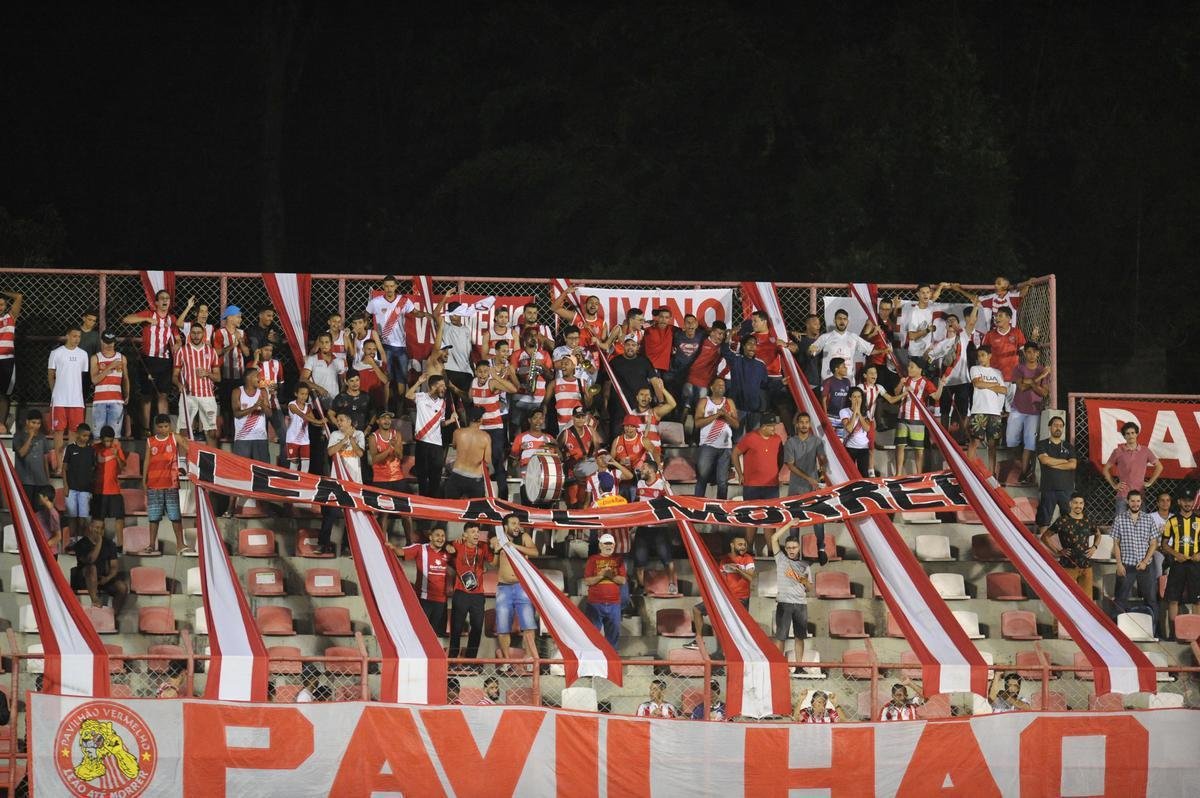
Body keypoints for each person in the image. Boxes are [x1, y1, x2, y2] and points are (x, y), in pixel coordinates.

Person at [366, 274, 436, 404]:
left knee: (402, 379)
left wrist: (426, 314)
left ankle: (400, 408)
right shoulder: (375, 302)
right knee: (386, 379)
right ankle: (386, 408)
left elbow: (415, 313)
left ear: (396, 286)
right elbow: (366, 316)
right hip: (384, 346)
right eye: (386, 286)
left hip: (401, 347)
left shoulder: (403, 301)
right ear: (383, 287)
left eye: (392, 286)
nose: (389, 289)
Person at [122, 289, 178, 433]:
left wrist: (176, 344)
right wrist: (145, 320)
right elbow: (126, 319)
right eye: (162, 298)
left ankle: (164, 428)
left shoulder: (172, 318)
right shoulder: (149, 314)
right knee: (146, 395)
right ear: (157, 302)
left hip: (165, 361)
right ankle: (146, 429)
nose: (165, 300)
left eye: (168, 298)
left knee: (163, 394)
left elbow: (176, 337)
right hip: (148, 359)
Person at [687, 537, 755, 653]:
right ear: (732, 545)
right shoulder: (724, 560)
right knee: (697, 609)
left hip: (740, 598)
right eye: (740, 544)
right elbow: (721, 580)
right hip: (725, 598)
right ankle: (698, 640)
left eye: (744, 545)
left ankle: (737, 652)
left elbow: (750, 577)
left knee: (735, 628)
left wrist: (738, 570)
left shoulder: (748, 558)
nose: (743, 547)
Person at [491, 514, 540, 670]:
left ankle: (529, 657)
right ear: (505, 526)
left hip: (522, 586)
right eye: (513, 523)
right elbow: (493, 564)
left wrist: (514, 546)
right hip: (504, 587)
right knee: (503, 626)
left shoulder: (524, 536)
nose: (517, 526)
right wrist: (497, 551)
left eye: (518, 523)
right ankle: (506, 660)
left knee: (528, 625)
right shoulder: (497, 538)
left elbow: (535, 552)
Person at [732, 413, 785, 550]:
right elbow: (735, 453)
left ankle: (772, 551)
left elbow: (780, 460)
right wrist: (740, 474)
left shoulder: (778, 439)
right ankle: (748, 550)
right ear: (763, 426)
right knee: (751, 520)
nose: (774, 429)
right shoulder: (750, 438)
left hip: (771, 487)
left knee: (770, 521)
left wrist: (776, 475)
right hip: (752, 486)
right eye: (772, 427)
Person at [1111, 490, 1160, 635]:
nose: (1135, 503)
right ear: (1127, 501)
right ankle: (1116, 632)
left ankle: (1153, 632)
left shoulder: (1148, 519)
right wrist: (1119, 564)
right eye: (1132, 501)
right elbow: (1116, 544)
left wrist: (1145, 561)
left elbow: (1153, 544)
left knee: (1151, 599)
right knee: (1120, 599)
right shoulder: (1120, 519)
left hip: (1145, 566)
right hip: (1127, 565)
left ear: (1141, 502)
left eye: (1138, 501)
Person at [142, 414, 191, 555]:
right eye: (161, 427)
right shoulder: (150, 441)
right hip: (154, 484)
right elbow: (146, 460)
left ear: (170, 426)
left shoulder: (175, 438)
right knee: (153, 517)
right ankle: (151, 544)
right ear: (156, 427)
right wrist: (143, 479)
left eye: (166, 426)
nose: (164, 429)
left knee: (175, 516)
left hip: (171, 484)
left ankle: (180, 545)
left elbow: (189, 448)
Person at [469, 360, 519, 501]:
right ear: (476, 372)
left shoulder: (492, 382)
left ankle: (503, 497)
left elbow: (514, 389)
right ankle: (477, 495)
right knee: (477, 460)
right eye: (480, 371)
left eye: (486, 371)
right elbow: (469, 397)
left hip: (495, 427)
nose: (483, 374)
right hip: (480, 427)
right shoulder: (473, 383)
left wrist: (496, 377)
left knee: (497, 459)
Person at [887, 357, 945, 476]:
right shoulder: (905, 380)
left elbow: (936, 397)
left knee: (919, 449)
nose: (909, 368)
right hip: (902, 417)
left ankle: (919, 474)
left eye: (912, 366)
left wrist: (941, 385)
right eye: (909, 366)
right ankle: (898, 474)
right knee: (900, 446)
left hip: (918, 419)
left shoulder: (925, 382)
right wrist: (900, 383)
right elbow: (896, 393)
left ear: (920, 369)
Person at [926, 299, 979, 430]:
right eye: (948, 321)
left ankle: (961, 436)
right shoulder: (941, 344)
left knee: (962, 410)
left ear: (958, 324)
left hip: (963, 380)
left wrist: (976, 307)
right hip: (946, 381)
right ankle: (945, 435)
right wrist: (928, 353)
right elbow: (928, 358)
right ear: (945, 326)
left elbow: (971, 322)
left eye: (953, 321)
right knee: (944, 410)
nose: (950, 322)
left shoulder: (964, 336)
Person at [318, 411, 365, 554]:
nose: (339, 423)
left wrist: (351, 439)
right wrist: (344, 440)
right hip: (337, 480)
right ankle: (323, 544)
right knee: (330, 513)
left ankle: (348, 546)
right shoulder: (334, 435)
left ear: (349, 421)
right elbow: (331, 452)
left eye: (341, 420)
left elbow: (360, 453)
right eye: (338, 420)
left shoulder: (360, 434)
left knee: (352, 515)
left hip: (355, 481)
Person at [783, 411, 827, 563]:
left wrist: (824, 464)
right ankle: (794, 553)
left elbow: (823, 459)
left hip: (813, 488)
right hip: (796, 488)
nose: (804, 425)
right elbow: (790, 465)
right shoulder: (790, 442)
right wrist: (809, 478)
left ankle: (821, 549)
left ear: (810, 424)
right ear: (797, 424)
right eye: (801, 422)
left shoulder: (817, 441)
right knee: (794, 523)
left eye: (806, 422)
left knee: (818, 519)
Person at [447, 522, 493, 667]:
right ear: (464, 535)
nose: (476, 535)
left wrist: (493, 547)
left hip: (478, 595)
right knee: (457, 627)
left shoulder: (483, 547)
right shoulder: (457, 544)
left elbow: (493, 560)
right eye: (472, 532)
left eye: (478, 532)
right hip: (461, 593)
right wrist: (448, 546)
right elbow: (443, 545)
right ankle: (452, 659)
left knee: (478, 627)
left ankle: (470, 660)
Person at [300, 332, 346, 474]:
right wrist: (317, 387)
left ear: (332, 344)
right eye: (322, 342)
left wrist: (341, 401)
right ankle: (316, 474)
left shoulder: (338, 361)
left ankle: (335, 472)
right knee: (316, 441)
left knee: (333, 439)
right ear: (318, 344)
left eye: (327, 342)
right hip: (316, 407)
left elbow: (343, 383)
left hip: (333, 408)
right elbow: (303, 379)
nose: (325, 345)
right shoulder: (312, 360)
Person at [631, 460, 677, 594]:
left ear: (651, 470)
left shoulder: (662, 484)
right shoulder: (640, 483)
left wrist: (667, 489)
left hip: (660, 528)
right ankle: (640, 587)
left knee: (667, 558)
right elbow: (637, 502)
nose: (640, 470)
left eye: (643, 468)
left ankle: (671, 584)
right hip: (643, 527)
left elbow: (673, 502)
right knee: (639, 561)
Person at [394, 526, 452, 633]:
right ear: (430, 537)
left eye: (443, 536)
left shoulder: (447, 553)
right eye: (437, 535)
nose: (440, 538)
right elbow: (400, 552)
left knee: (436, 636)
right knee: (421, 633)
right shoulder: (420, 549)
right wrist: (390, 546)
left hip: (441, 602)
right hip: (424, 600)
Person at [769, 522, 811, 668]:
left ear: (799, 548)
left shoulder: (805, 565)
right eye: (788, 548)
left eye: (794, 547)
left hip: (801, 604)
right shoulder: (781, 559)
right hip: (784, 603)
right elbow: (774, 539)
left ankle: (799, 667)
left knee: (800, 637)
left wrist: (802, 579)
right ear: (785, 549)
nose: (791, 550)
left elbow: (810, 587)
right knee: (781, 637)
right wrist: (789, 524)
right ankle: (779, 666)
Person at [47, 327, 90, 472]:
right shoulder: (56, 353)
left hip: (76, 401)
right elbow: (51, 374)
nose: (76, 339)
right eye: (74, 336)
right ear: (67, 336)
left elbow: (83, 378)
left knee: (74, 433)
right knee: (58, 433)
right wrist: (55, 393)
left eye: (79, 336)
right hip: (59, 400)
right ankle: (59, 466)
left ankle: (69, 466)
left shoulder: (83, 354)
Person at [173, 322, 221, 447]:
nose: (196, 335)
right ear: (189, 334)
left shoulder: (211, 352)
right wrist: (179, 384)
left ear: (203, 334)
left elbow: (218, 377)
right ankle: (184, 461)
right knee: (184, 429)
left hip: (207, 395)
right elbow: (174, 375)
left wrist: (207, 373)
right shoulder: (182, 351)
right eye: (193, 333)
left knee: (211, 431)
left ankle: (212, 462)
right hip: (188, 395)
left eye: (198, 333)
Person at [1008, 343, 1051, 482]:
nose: (1031, 355)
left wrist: (1031, 383)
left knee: (1030, 443)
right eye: (1028, 352)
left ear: (1038, 353)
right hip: (1017, 409)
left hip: (1034, 412)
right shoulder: (1019, 368)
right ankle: (1021, 461)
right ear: (1024, 354)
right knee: (1011, 440)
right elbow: (1021, 387)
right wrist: (1036, 381)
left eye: (1034, 352)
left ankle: (1024, 472)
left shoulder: (1042, 369)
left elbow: (1044, 392)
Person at [1160, 491, 1200, 638]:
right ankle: (1173, 635)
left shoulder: (1199, 520)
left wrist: (1198, 555)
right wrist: (1176, 554)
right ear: (1179, 502)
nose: (1188, 504)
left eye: (1190, 501)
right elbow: (1164, 544)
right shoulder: (1172, 521)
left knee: (1197, 600)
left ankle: (1197, 636)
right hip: (1178, 565)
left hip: (1195, 566)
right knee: (1173, 599)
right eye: (1185, 500)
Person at [1041, 493, 1095, 599]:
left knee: (1087, 600)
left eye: (1081, 503)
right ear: (1070, 504)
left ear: (1084, 505)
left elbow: (1097, 534)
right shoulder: (1062, 520)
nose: (1078, 505)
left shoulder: (1088, 520)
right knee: (1064, 597)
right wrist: (1058, 551)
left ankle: (1082, 616)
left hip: (1086, 566)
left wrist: (1095, 547)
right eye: (1075, 503)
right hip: (1068, 566)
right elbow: (1045, 537)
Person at [68, 518, 128, 614]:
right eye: (97, 527)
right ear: (90, 528)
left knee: (122, 587)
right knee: (92, 568)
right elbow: (90, 559)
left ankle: (113, 616)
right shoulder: (81, 544)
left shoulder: (110, 544)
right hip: (85, 580)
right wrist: (99, 542)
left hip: (102, 579)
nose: (99, 531)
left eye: (102, 528)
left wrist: (107, 578)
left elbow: (114, 566)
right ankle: (95, 599)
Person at [408, 375, 455, 498]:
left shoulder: (443, 402)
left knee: (436, 478)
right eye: (441, 386)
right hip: (422, 443)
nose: (444, 388)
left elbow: (441, 423)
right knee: (422, 477)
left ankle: (433, 504)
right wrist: (418, 381)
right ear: (433, 386)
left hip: (437, 445)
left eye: (445, 386)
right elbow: (408, 395)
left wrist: (451, 420)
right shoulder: (421, 397)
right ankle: (423, 505)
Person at [1103, 422, 1163, 517]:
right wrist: (1114, 485)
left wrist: (1150, 482)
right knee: (1120, 524)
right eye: (1127, 433)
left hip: (1139, 495)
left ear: (1137, 434)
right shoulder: (1118, 451)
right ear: (1124, 436)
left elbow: (1159, 466)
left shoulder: (1145, 451)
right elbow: (1106, 469)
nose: (1131, 435)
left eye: (1133, 433)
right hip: (1123, 495)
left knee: (1140, 524)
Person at [693, 376, 738, 500]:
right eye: (719, 385)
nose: (721, 387)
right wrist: (716, 415)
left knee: (722, 482)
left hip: (725, 447)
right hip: (707, 445)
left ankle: (720, 511)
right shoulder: (704, 401)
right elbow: (697, 423)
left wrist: (726, 416)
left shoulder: (729, 402)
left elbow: (736, 424)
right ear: (712, 387)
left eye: (723, 385)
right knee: (702, 478)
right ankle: (697, 508)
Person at [807, 308, 881, 381]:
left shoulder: (853, 337)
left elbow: (869, 350)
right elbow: (811, 352)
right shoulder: (825, 337)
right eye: (839, 318)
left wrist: (884, 350)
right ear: (834, 320)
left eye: (844, 319)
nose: (842, 321)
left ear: (847, 321)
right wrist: (810, 350)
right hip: (829, 380)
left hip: (848, 380)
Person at [965, 345, 1007, 473]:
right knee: (975, 442)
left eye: (983, 355)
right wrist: (994, 384)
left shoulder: (997, 372)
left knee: (992, 445)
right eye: (978, 356)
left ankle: (992, 474)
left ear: (989, 356)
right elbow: (977, 384)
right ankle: (969, 471)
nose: (980, 358)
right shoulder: (975, 368)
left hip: (994, 411)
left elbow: (1004, 390)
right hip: (979, 410)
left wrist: (987, 385)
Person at [369, 411, 410, 541]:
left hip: (397, 478)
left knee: (405, 513)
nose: (387, 421)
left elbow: (400, 456)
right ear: (377, 421)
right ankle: (382, 543)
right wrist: (389, 449)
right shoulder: (373, 437)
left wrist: (395, 448)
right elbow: (374, 460)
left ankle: (410, 543)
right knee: (383, 514)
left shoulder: (396, 434)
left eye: (389, 418)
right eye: (383, 418)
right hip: (381, 480)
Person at [583, 533, 627, 647]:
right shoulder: (593, 560)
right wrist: (601, 576)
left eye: (610, 544)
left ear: (614, 545)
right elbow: (588, 581)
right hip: (595, 603)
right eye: (606, 544)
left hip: (614, 603)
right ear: (600, 545)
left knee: (613, 635)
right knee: (592, 635)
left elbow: (622, 580)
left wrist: (611, 576)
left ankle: (612, 660)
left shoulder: (619, 560)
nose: (608, 547)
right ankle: (593, 659)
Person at [1035, 416, 1076, 535]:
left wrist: (1052, 463)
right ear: (1050, 427)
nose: (1058, 428)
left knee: (1069, 522)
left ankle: (1067, 549)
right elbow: (1044, 461)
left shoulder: (1068, 446)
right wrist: (1064, 461)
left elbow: (1073, 465)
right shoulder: (1042, 444)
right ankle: (1043, 549)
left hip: (1066, 489)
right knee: (1044, 521)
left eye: (1060, 426)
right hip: (1048, 488)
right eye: (1055, 425)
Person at [250, 340, 287, 463]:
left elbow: (281, 383)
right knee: (262, 440)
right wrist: (256, 359)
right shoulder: (253, 365)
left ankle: (284, 466)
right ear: (259, 350)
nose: (269, 353)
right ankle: (265, 468)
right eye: (266, 350)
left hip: (274, 405)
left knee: (284, 437)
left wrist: (277, 387)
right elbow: (249, 382)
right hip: (258, 408)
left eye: (270, 350)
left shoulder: (277, 364)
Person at [213, 306, 248, 432]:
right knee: (225, 405)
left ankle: (236, 431)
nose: (241, 319)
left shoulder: (242, 333)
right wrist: (232, 345)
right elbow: (216, 352)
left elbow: (247, 353)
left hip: (239, 375)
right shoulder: (219, 333)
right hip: (225, 375)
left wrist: (241, 342)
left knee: (237, 404)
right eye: (238, 316)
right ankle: (226, 431)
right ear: (230, 317)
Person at [724, 335, 768, 437]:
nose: (752, 346)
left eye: (754, 344)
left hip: (754, 409)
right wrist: (728, 337)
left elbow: (765, 385)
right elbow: (725, 351)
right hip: (738, 408)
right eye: (749, 343)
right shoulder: (736, 360)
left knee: (754, 439)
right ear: (743, 346)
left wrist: (780, 383)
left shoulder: (760, 365)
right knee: (737, 439)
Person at [92, 425, 127, 549]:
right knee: (99, 519)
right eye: (106, 440)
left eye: (110, 440)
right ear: (101, 439)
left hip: (114, 490)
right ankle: (98, 544)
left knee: (119, 517)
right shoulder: (94, 448)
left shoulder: (116, 448)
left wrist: (117, 455)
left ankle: (120, 545)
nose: (108, 443)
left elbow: (123, 467)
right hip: (98, 490)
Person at [444, 407, 490, 500]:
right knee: (475, 511)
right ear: (480, 419)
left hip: (457, 475)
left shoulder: (458, 433)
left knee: (451, 508)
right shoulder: (486, 437)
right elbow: (487, 460)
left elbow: (454, 446)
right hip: (475, 478)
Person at [557, 406, 598, 509]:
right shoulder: (566, 433)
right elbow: (557, 449)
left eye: (582, 417)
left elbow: (598, 449)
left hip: (587, 473)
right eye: (577, 417)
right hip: (572, 473)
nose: (580, 419)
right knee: (572, 502)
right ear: (573, 418)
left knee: (585, 502)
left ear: (585, 418)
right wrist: (563, 456)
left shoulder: (590, 431)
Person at [90, 331, 129, 438]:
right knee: (98, 435)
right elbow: (94, 380)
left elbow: (125, 378)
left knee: (115, 436)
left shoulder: (122, 358)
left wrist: (127, 394)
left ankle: (113, 455)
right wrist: (110, 367)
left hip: (116, 400)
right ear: (102, 341)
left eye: (111, 342)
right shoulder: (95, 358)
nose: (109, 345)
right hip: (99, 401)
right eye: (106, 342)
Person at [62, 423, 97, 542]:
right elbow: (64, 468)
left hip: (86, 489)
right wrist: (65, 486)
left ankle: (81, 540)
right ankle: (72, 541)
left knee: (83, 517)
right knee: (72, 516)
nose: (86, 438)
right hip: (71, 488)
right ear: (77, 434)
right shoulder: (70, 448)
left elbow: (93, 469)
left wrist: (92, 487)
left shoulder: (91, 450)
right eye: (84, 435)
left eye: (88, 436)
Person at [230, 367, 272, 468]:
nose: (260, 378)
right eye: (257, 376)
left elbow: (269, 414)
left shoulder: (262, 392)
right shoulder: (237, 391)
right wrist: (254, 407)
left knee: (262, 471)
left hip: (260, 437)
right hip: (242, 438)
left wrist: (262, 405)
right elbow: (236, 413)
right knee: (242, 470)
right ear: (249, 378)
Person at [14, 410, 53, 501]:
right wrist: (30, 437)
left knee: (39, 511)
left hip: (41, 481)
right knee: (27, 508)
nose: (36, 426)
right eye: (33, 423)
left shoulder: (42, 437)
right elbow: (21, 453)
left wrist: (47, 478)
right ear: (27, 422)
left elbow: (45, 459)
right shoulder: (18, 436)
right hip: (25, 481)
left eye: (38, 423)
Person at [0, 289, 24, 433]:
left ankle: (2, 423)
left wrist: (1, 290)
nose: (0, 307)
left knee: (3, 394)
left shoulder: (10, 317)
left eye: (2, 304)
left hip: (6, 361)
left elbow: (19, 296)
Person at [286, 384, 322, 474]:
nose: (304, 396)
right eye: (302, 394)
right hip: (292, 438)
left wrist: (322, 423)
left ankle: (302, 482)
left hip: (305, 440)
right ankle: (292, 482)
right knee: (294, 462)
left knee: (306, 462)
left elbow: (313, 421)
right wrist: (319, 421)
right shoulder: (292, 404)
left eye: (306, 394)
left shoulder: (308, 406)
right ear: (296, 394)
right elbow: (302, 415)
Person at [840, 387, 872, 476]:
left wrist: (860, 414)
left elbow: (867, 429)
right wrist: (854, 413)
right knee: (849, 474)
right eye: (854, 397)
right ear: (850, 398)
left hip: (863, 448)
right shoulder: (844, 411)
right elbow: (849, 428)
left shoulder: (866, 412)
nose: (857, 399)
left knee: (864, 474)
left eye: (859, 397)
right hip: (850, 447)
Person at [821, 357, 853, 437]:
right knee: (830, 441)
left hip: (844, 418)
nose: (846, 368)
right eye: (844, 366)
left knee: (841, 442)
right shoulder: (828, 381)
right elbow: (823, 400)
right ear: (836, 369)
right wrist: (826, 418)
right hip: (831, 417)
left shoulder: (847, 381)